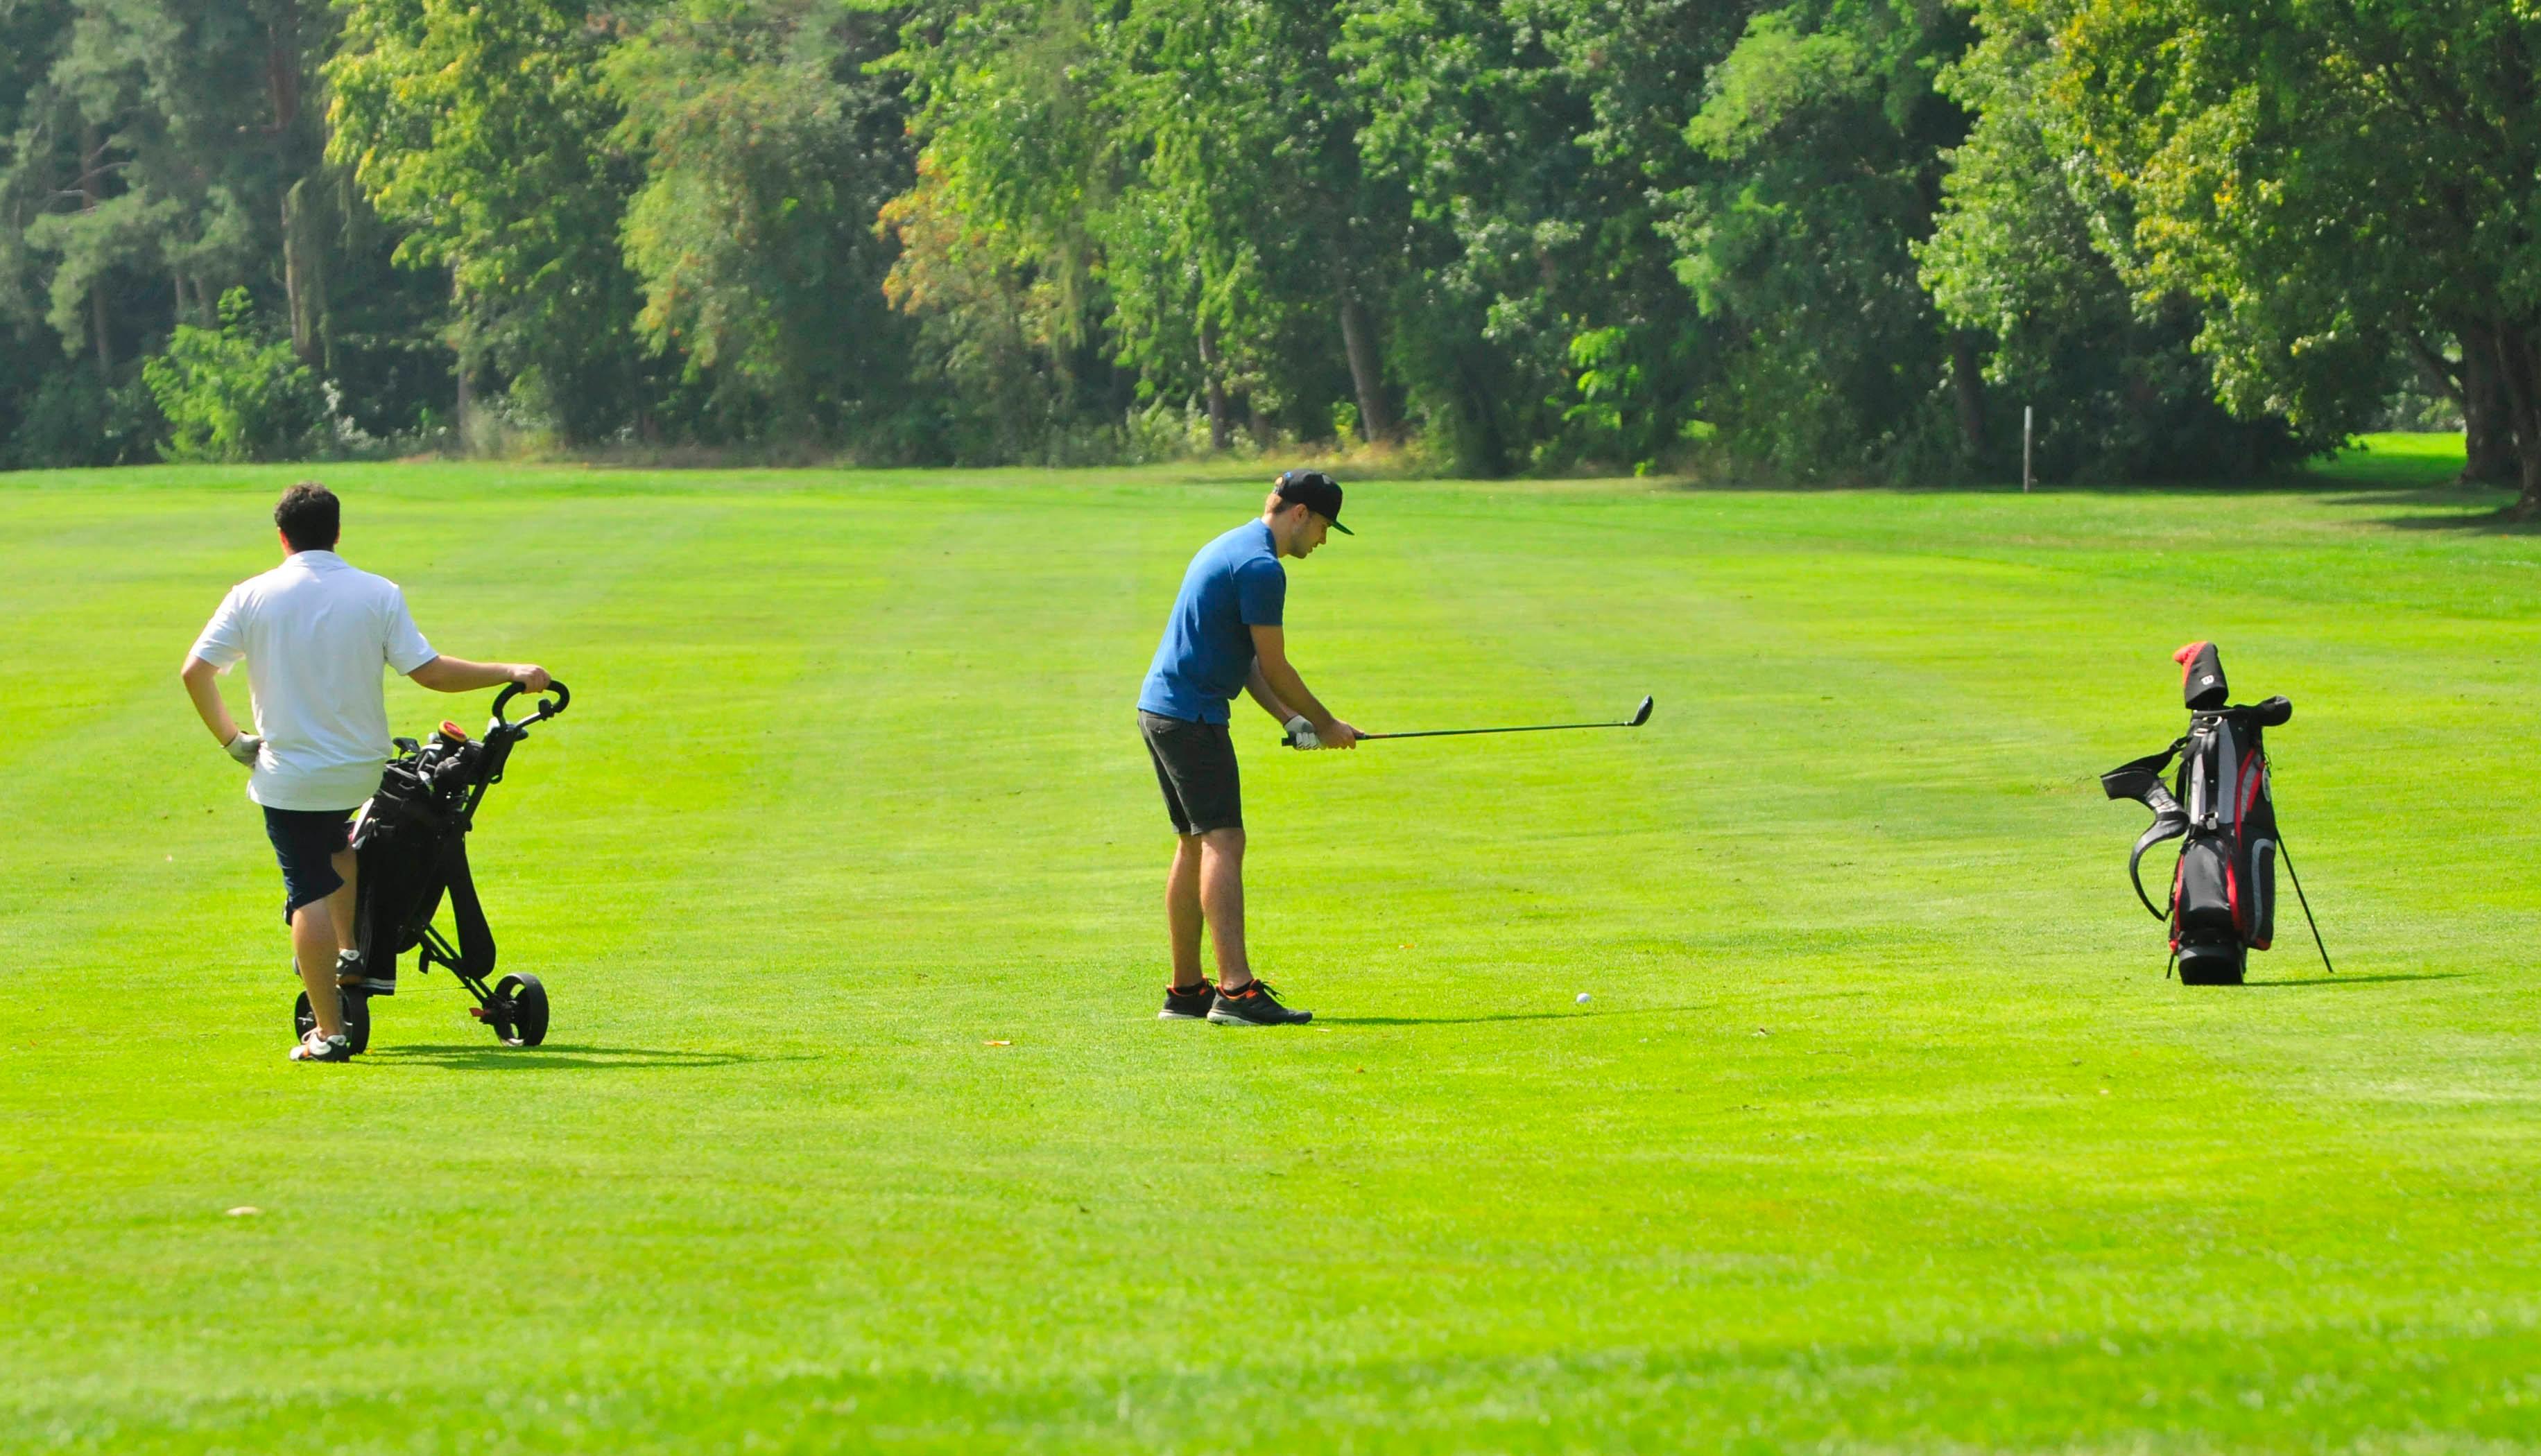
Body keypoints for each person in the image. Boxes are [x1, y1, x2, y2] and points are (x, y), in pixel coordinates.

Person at [180, 483, 551, 1063]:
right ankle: (350, 950)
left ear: (282, 537)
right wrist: (509, 670)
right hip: (361, 772)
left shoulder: (249, 596)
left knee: (306, 892)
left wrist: (233, 741)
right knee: (340, 844)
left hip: (291, 774)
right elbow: (430, 673)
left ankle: (329, 1034)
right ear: (337, 532)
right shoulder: (378, 592)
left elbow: (195, 673)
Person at [1137, 469, 1360, 1026]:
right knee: (1223, 840)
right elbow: (1278, 667)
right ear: (1301, 514)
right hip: (1191, 718)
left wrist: (1294, 722)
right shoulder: (1262, 568)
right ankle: (1236, 992)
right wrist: (1328, 724)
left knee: (1195, 844)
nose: (1323, 540)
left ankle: (1186, 991)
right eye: (1325, 527)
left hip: (1161, 710)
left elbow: (1249, 662)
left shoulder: (1233, 544)